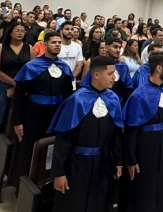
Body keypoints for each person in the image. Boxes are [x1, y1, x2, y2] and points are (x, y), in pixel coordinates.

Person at [48, 56, 124, 212]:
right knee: (74, 203)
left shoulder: (113, 99)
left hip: (101, 162)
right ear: (96, 75)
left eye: (114, 73)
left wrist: (118, 161)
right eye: (110, 74)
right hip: (76, 163)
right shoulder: (76, 100)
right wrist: (59, 173)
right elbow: (63, 139)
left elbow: (116, 135)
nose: (114, 78)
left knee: (97, 203)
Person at [8, 31, 74, 188]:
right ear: (44, 45)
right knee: (29, 148)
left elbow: (68, 95)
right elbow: (19, 96)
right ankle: (22, 186)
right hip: (34, 114)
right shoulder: (32, 66)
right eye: (53, 42)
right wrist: (17, 121)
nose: (57, 45)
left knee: (52, 148)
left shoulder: (64, 67)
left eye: (59, 42)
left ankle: (47, 183)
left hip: (56, 114)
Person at [121, 52, 163, 212]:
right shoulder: (139, 95)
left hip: (162, 145)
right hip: (145, 148)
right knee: (145, 190)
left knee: (160, 188)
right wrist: (131, 160)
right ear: (159, 68)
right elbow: (131, 131)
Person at [0, 21, 36, 173]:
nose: (20, 33)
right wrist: (14, 83)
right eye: (17, 30)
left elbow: (32, 69)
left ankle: (9, 159)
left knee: (13, 123)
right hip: (1, 86)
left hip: (21, 89)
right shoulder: (1, 47)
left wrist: (20, 86)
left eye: (22, 31)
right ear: (10, 32)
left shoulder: (30, 49)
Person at [81, 37, 133, 106]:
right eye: (115, 47)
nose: (118, 50)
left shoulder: (123, 67)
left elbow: (128, 89)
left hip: (117, 104)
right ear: (106, 47)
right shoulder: (98, 64)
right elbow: (85, 85)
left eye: (120, 48)